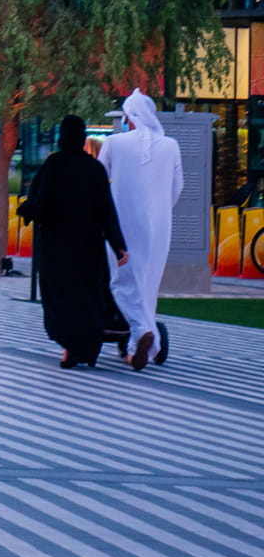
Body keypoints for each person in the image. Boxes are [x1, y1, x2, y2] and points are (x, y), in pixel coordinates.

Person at [19, 115, 130, 368]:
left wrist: (26, 211)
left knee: (61, 298)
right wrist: (118, 244)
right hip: (88, 246)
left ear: (62, 138)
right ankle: (86, 348)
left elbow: (39, 202)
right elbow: (107, 210)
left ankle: (70, 348)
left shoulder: (53, 165)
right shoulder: (95, 169)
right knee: (87, 298)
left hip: (56, 246)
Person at [98, 89, 183, 371]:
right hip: (158, 227)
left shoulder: (113, 143)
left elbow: (98, 182)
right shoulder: (171, 145)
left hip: (121, 224)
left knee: (120, 280)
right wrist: (159, 210)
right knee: (148, 283)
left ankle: (142, 332)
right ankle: (144, 342)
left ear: (128, 116)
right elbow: (177, 188)